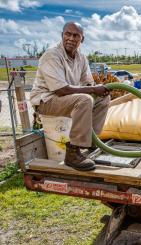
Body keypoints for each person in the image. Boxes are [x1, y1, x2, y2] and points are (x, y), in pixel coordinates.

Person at [30, 22, 110, 171]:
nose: (71, 38)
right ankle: (73, 153)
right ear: (62, 35)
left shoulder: (81, 58)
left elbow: (87, 84)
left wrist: (99, 90)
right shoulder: (51, 55)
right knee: (84, 99)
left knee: (103, 98)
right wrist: (93, 89)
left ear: (82, 39)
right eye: (68, 34)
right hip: (46, 100)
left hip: (65, 99)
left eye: (76, 35)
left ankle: (91, 142)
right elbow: (61, 90)